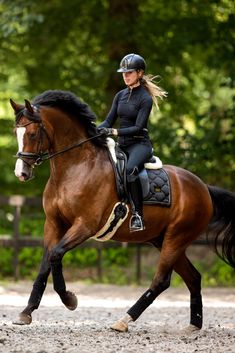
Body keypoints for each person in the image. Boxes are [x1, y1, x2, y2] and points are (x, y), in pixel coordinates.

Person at [98, 53, 167, 232]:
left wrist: (114, 132)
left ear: (140, 73)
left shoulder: (145, 98)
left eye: (129, 72)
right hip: (122, 145)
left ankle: (138, 215)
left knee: (129, 170)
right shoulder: (120, 95)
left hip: (139, 145)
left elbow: (138, 127)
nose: (125, 76)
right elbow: (108, 121)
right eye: (123, 73)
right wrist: (95, 129)